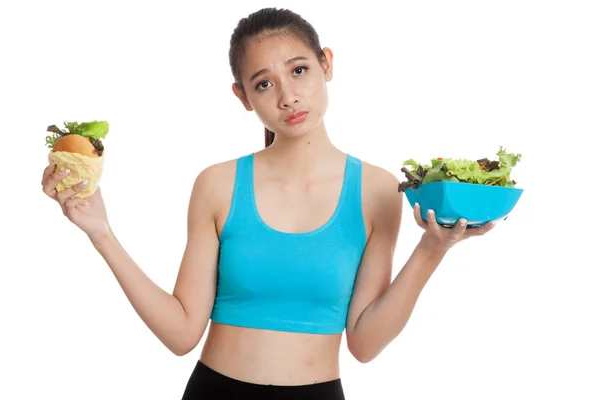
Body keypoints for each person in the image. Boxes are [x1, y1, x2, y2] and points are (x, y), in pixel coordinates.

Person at [41, 7, 496, 400]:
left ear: (326, 64)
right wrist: (100, 231)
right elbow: (181, 335)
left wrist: (432, 250)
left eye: (299, 70)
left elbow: (364, 343)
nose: (287, 96)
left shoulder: (377, 190)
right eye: (263, 83)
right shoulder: (217, 184)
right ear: (242, 96)